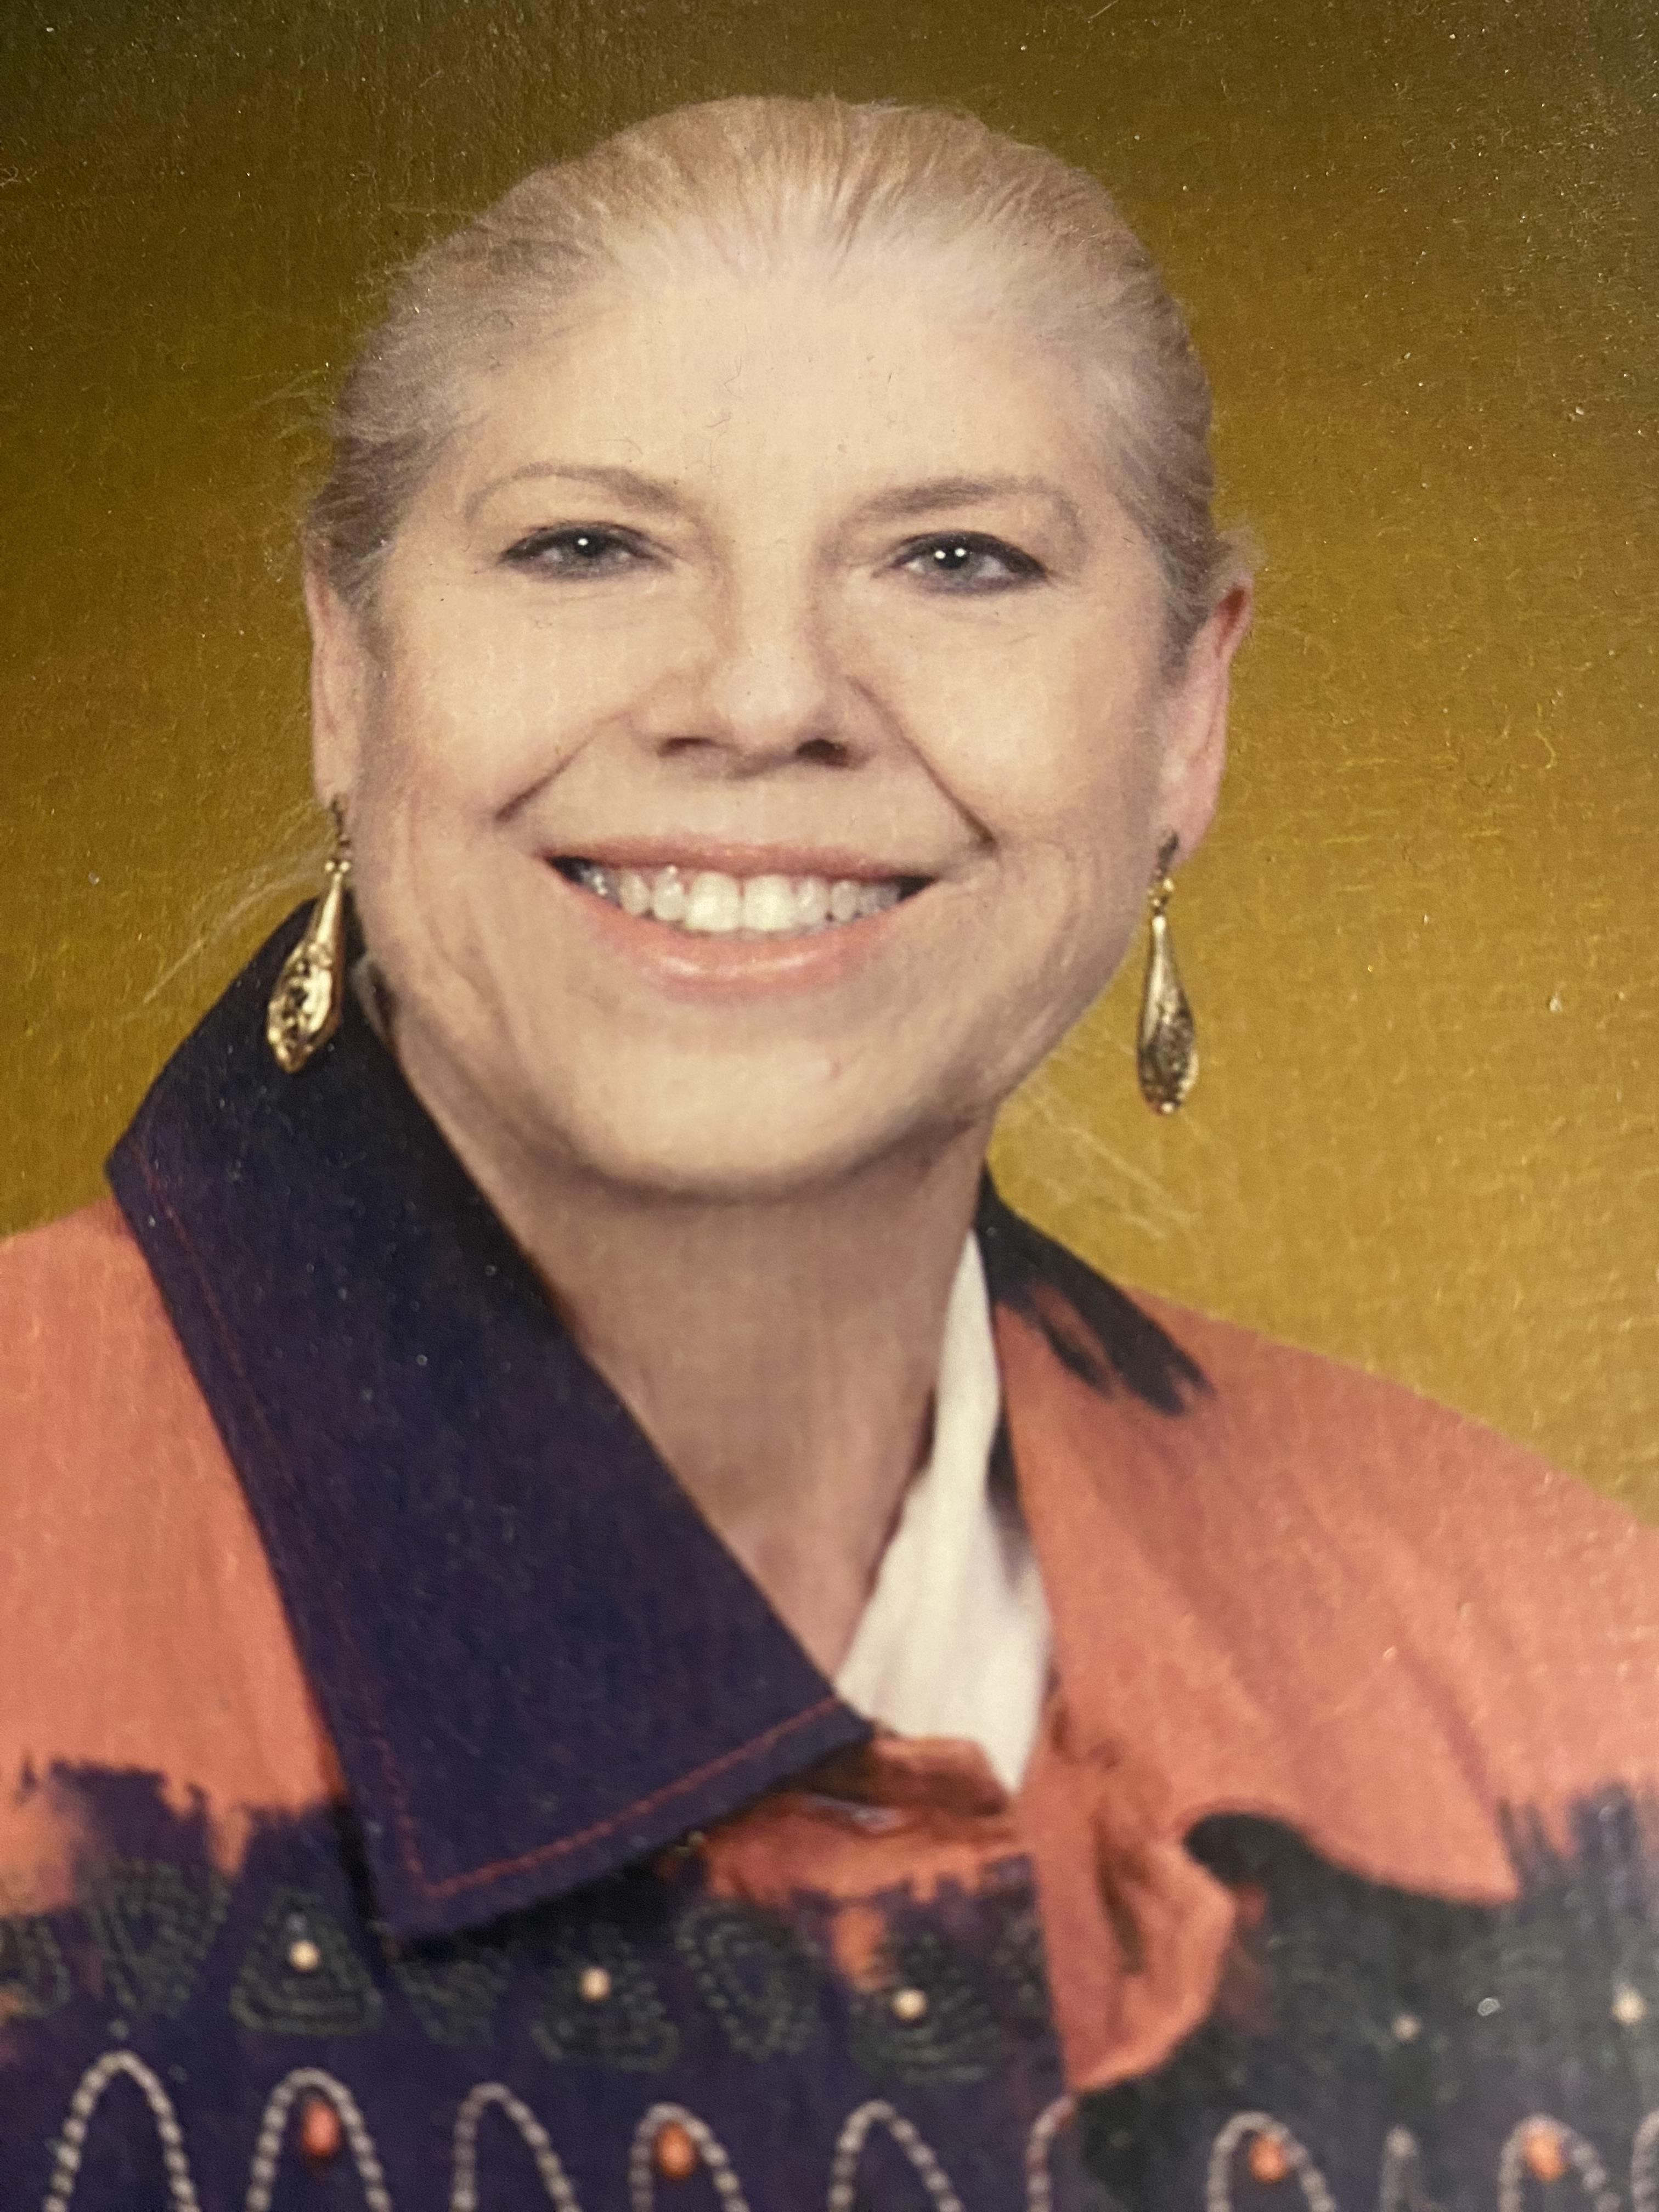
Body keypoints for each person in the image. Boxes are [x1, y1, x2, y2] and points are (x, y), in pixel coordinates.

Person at [1, 94, 1654, 2212]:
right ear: (347, 661)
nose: (766, 697)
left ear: (1185, 719)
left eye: (956, 559)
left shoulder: (1573, 1663)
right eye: (588, 546)